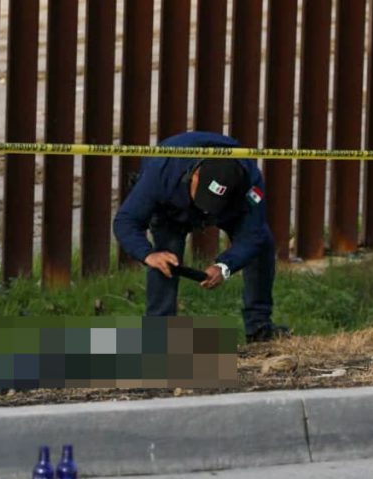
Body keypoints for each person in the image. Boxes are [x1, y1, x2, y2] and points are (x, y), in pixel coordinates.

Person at [113, 131, 289, 343]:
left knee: (263, 243)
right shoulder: (162, 169)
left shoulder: (250, 180)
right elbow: (125, 220)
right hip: (172, 210)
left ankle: (259, 327)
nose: (205, 211)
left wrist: (225, 267)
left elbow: (253, 234)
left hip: (229, 209)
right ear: (195, 175)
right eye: (205, 198)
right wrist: (148, 254)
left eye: (212, 203)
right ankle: (158, 334)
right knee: (165, 260)